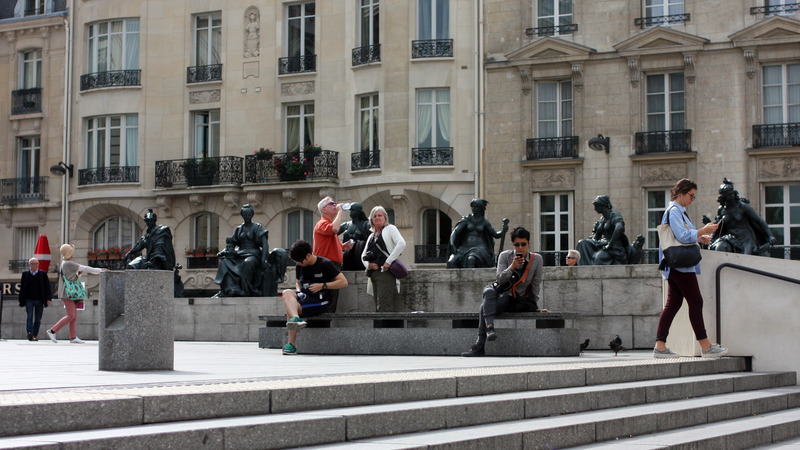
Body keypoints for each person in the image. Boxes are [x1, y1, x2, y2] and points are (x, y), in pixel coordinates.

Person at [653, 178, 728, 359]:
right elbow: (682, 235)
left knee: (673, 304)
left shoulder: (678, 212)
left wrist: (699, 238)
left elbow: (681, 236)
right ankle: (706, 346)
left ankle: (660, 346)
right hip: (681, 265)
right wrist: (703, 231)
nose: (692, 200)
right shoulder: (674, 211)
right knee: (695, 301)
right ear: (681, 193)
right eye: (691, 196)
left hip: (676, 264)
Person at [461, 226, 547, 357]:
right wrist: (512, 266)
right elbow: (500, 280)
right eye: (517, 245)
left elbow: (536, 284)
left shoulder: (537, 259)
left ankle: (481, 343)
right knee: (489, 291)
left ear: (528, 243)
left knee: (483, 307)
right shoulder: (505, 256)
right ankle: (489, 328)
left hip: (517, 300)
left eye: (523, 244)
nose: (520, 248)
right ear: (513, 244)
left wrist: (535, 306)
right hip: (502, 295)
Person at [281, 240, 348, 355]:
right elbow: (298, 282)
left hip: (321, 300)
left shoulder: (325, 263)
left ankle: (291, 344)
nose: (299, 264)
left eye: (300, 261)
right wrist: (298, 291)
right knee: (287, 293)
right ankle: (296, 318)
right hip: (305, 297)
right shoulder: (300, 266)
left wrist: (323, 285)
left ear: (308, 255)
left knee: (290, 309)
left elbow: (344, 282)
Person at [46, 244, 108, 344]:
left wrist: (78, 275)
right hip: (68, 293)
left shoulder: (64, 263)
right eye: (71, 252)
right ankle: (52, 331)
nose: (73, 254)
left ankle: (73, 337)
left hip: (67, 292)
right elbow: (85, 268)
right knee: (71, 315)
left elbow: (71, 278)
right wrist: (101, 270)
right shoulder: (69, 263)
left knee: (73, 316)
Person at [709, 178, 776, 256]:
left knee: (745, 259)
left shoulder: (742, 207)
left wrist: (770, 236)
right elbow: (718, 226)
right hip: (731, 238)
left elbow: (759, 220)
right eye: (728, 195)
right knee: (720, 247)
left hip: (745, 240)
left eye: (732, 194)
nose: (731, 196)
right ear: (723, 197)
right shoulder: (721, 209)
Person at [215, 204, 270, 297]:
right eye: (245, 214)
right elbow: (231, 243)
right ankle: (231, 288)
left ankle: (246, 289)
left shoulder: (257, 227)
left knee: (248, 262)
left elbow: (265, 244)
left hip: (253, 254)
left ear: (252, 215)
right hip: (240, 254)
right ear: (242, 215)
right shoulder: (239, 229)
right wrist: (223, 252)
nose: (247, 216)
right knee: (224, 263)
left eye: (249, 214)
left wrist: (263, 259)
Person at [361, 206, 406, 311]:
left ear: (385, 217)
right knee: (378, 306)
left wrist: (388, 262)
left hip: (385, 273)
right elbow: (363, 255)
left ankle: (385, 323)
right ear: (371, 219)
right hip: (373, 274)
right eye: (374, 216)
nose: (377, 218)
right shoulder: (371, 236)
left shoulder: (390, 228)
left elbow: (401, 243)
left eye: (380, 215)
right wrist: (369, 265)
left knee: (384, 307)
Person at [313, 196, 354, 311]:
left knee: (332, 298)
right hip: (326, 265)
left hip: (331, 265)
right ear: (323, 210)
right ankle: (325, 320)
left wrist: (343, 247)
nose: (335, 205)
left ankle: (327, 319)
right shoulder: (322, 223)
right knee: (328, 299)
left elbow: (327, 245)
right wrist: (340, 211)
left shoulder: (328, 224)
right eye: (331, 204)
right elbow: (335, 229)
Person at [446, 198, 508, 268]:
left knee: (471, 259)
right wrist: (452, 244)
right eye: (472, 206)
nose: (473, 208)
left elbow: (495, 234)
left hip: (479, 248)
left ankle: (470, 275)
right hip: (464, 248)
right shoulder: (467, 219)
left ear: (480, 208)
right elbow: (455, 232)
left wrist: (503, 231)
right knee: (451, 262)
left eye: (475, 206)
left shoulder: (484, 222)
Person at [18, 257, 52, 341]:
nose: (35, 265)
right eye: (33, 264)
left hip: (39, 299)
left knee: (38, 318)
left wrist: (48, 299)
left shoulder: (43, 274)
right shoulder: (25, 274)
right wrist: (20, 299)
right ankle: (29, 332)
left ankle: (35, 334)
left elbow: (47, 287)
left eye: (37, 264)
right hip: (29, 299)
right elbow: (22, 288)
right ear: (30, 265)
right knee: (29, 316)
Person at [338, 202, 371, 270]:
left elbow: (372, 241)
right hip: (346, 257)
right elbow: (332, 232)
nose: (350, 212)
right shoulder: (346, 225)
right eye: (350, 210)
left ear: (358, 212)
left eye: (352, 210)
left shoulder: (366, 225)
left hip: (359, 258)